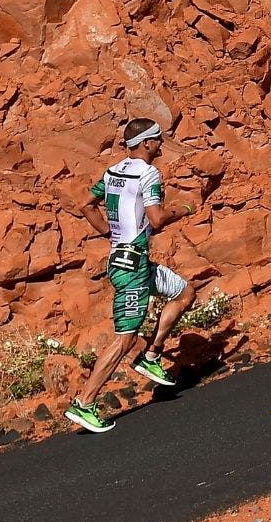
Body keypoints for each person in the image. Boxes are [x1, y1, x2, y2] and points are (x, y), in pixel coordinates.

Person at [66, 118, 194, 433]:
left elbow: (86, 204)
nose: (161, 143)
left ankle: (151, 354)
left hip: (127, 260)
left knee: (184, 293)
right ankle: (84, 402)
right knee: (125, 339)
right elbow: (157, 218)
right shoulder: (149, 173)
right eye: (158, 139)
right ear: (147, 143)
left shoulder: (113, 172)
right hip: (132, 268)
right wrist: (184, 210)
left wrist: (108, 232)